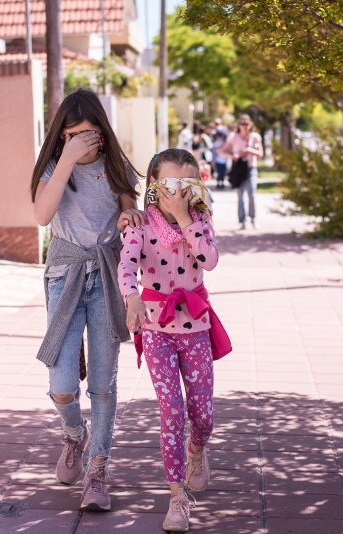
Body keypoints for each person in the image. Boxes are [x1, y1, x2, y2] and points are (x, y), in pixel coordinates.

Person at [30, 88, 145, 512]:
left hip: (108, 276)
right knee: (61, 383)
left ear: (103, 133)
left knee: (102, 381)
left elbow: (130, 210)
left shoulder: (115, 166)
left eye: (91, 133)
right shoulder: (52, 170)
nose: (84, 141)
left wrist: (129, 214)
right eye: (74, 133)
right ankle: (74, 435)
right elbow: (43, 216)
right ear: (61, 135)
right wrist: (65, 159)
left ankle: (98, 472)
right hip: (65, 274)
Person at [117, 149, 232, 532]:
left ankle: (197, 451)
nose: (177, 193)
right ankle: (177, 497)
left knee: (204, 416)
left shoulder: (200, 220)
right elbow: (127, 265)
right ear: (153, 185)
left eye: (186, 185)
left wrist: (185, 219)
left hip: (196, 328)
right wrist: (131, 296)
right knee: (172, 412)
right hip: (156, 331)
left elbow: (210, 260)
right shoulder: (139, 224)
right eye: (168, 185)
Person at [220, 114, 263, 230]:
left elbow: (260, 154)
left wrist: (249, 150)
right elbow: (221, 151)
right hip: (238, 170)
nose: (244, 126)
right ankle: (242, 220)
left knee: (252, 194)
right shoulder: (233, 138)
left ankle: (253, 218)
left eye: (246, 124)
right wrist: (232, 156)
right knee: (240, 197)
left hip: (250, 168)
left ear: (250, 125)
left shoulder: (255, 137)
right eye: (242, 124)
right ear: (238, 125)